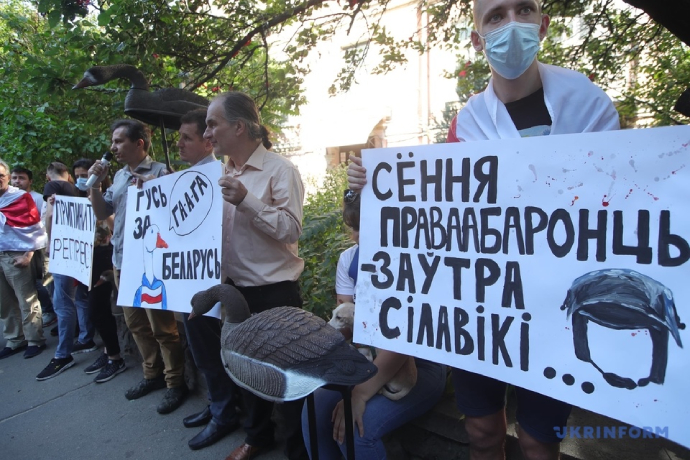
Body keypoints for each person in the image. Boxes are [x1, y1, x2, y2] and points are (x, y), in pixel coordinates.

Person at [347, 1, 620, 459]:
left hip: (555, 309)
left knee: (538, 442)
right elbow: (442, 211)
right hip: (483, 305)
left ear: (543, 25)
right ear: (477, 39)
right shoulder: (467, 122)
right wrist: (375, 184)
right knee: (482, 433)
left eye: (523, 10)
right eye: (495, 16)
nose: (511, 24)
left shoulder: (589, 106)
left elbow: (618, 204)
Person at [301, 190, 446, 459]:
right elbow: (347, 323)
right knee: (315, 410)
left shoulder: (412, 260)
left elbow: (404, 342)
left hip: (417, 365)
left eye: (365, 226)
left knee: (357, 433)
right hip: (365, 359)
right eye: (353, 227)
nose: (357, 235)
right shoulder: (349, 260)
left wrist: (359, 394)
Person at [203, 91, 307, 460]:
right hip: (235, 292)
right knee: (245, 371)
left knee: (286, 377)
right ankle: (257, 436)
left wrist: (247, 200)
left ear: (239, 127)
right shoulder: (218, 171)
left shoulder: (281, 170)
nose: (207, 132)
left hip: (274, 292)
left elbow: (291, 230)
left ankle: (298, 451)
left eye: (212, 124)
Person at [88, 119, 188, 413]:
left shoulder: (161, 173)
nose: (113, 147)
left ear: (139, 143)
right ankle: (152, 374)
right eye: (113, 141)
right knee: (135, 324)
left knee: (163, 327)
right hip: (122, 262)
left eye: (119, 141)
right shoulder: (119, 176)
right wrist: (96, 185)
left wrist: (158, 188)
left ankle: (175, 382)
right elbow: (102, 212)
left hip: (150, 264)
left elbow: (177, 213)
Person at [171, 108, 241, 451]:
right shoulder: (184, 178)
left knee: (210, 350)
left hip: (210, 282)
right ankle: (217, 405)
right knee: (200, 349)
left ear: (207, 142)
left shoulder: (219, 176)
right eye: (179, 137)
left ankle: (225, 413)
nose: (180, 144)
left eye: (187, 138)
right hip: (190, 280)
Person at [36, 162, 95, 380]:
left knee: (62, 303)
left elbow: (51, 216)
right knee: (80, 297)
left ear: (48, 176)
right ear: (69, 175)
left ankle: (63, 354)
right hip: (80, 249)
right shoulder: (77, 189)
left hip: (64, 250)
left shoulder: (53, 187)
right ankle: (85, 338)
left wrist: (51, 243)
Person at [0, 159, 47, 360]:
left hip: (15, 254)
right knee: (4, 302)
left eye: (1, 176)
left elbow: (35, 229)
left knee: (26, 298)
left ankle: (35, 339)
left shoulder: (19, 197)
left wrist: (28, 255)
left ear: (7, 177)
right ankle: (14, 339)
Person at [10, 166, 56, 328]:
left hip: (38, 246)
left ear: (30, 181)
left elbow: (43, 223)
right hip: (16, 248)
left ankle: (50, 311)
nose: (17, 181)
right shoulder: (8, 198)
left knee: (41, 281)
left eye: (21, 178)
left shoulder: (37, 198)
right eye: (14, 178)